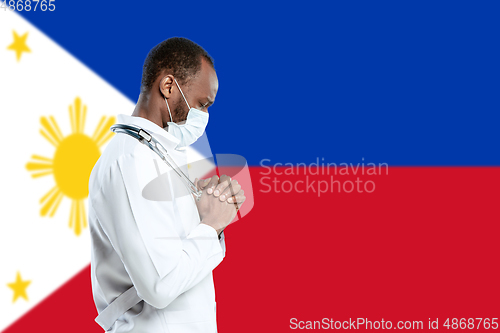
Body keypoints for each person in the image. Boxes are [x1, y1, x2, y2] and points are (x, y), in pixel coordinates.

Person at [88, 37, 245, 333]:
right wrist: (210, 226)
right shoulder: (130, 160)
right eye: (202, 104)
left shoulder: (154, 154)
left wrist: (204, 217)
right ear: (169, 86)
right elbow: (159, 286)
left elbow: (171, 259)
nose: (204, 117)